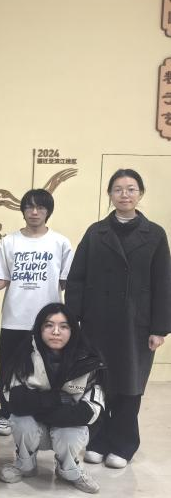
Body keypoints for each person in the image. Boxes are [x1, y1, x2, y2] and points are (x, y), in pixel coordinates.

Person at [66, 169, 170, 468]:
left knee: (129, 383)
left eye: (131, 189)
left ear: (141, 193)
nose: (125, 194)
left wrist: (160, 328)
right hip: (97, 322)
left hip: (136, 325)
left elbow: (164, 283)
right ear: (109, 194)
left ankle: (124, 444)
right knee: (99, 382)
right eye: (118, 189)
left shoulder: (155, 234)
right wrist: (74, 320)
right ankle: (98, 439)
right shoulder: (95, 232)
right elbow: (77, 278)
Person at [0, 189, 73, 437]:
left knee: (46, 369)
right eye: (29, 207)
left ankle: (43, 413)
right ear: (22, 210)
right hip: (15, 317)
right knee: (9, 368)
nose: (34, 212)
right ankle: (6, 413)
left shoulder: (61, 243)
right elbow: (3, 278)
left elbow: (66, 282)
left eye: (40, 207)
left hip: (48, 321)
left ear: (48, 212)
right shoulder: (9, 241)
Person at [0, 303, 104, 494]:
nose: (56, 332)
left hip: (64, 427)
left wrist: (36, 405)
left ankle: (69, 470)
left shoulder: (88, 360)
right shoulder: (24, 354)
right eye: (48, 325)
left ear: (73, 330)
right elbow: (14, 400)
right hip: (38, 425)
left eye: (63, 326)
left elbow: (89, 412)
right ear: (39, 329)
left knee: (71, 432)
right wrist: (57, 400)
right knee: (22, 421)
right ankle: (25, 465)